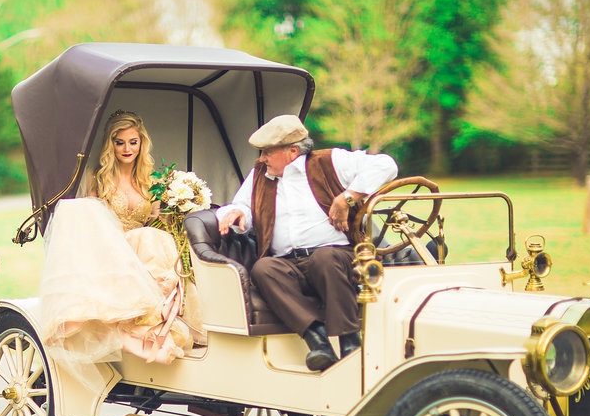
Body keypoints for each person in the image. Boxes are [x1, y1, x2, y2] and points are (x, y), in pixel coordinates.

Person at [38, 110, 204, 391]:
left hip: (143, 248)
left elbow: (156, 221)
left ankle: (165, 316)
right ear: (110, 145)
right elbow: (90, 224)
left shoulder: (150, 181)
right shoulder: (97, 178)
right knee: (149, 239)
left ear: (142, 144)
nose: (127, 149)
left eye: (133, 142)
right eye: (120, 142)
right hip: (110, 250)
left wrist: (178, 209)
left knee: (159, 240)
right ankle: (149, 317)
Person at [216, 114, 397, 372]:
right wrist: (237, 213)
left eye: (267, 152)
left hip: (337, 256)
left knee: (325, 258)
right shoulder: (259, 174)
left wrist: (348, 197)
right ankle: (318, 341)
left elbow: (386, 164)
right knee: (263, 269)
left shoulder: (329, 161)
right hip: (287, 264)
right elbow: (239, 204)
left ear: (292, 151)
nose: (262, 158)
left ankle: (350, 342)